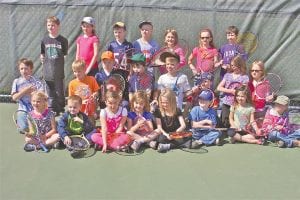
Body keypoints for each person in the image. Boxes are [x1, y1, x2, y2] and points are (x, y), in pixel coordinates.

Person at [41, 16, 68, 116]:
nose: (50, 27)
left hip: (59, 73)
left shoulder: (63, 40)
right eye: (48, 25)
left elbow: (64, 55)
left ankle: (61, 109)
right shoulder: (44, 40)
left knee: (59, 92)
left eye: (53, 25)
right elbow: (42, 53)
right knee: (50, 93)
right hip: (47, 73)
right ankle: (52, 110)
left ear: (58, 26)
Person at [11, 58, 46, 133]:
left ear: (31, 69)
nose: (24, 71)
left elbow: (42, 97)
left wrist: (33, 93)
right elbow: (14, 98)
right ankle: (21, 123)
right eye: (21, 69)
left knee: (40, 130)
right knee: (24, 129)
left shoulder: (37, 81)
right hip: (23, 110)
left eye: (26, 68)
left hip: (37, 110)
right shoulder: (16, 82)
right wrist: (25, 90)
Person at [217, 55, 249, 128]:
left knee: (236, 122)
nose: (233, 67)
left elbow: (244, 89)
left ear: (240, 65)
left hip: (237, 104)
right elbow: (219, 87)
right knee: (225, 122)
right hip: (226, 103)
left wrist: (237, 92)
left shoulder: (244, 77)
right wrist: (230, 91)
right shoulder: (227, 75)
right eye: (232, 65)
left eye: (235, 65)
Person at [68, 59, 100, 125]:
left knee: (90, 126)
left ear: (85, 69)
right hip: (77, 111)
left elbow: (97, 91)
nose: (77, 73)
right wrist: (81, 102)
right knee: (79, 127)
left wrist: (94, 95)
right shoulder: (72, 83)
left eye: (79, 71)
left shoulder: (91, 79)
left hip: (90, 110)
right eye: (75, 71)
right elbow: (71, 99)